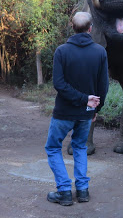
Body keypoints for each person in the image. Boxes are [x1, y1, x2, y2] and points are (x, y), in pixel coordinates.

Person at [45, 12, 109, 206]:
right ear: (90, 29)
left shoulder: (62, 51)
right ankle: (82, 190)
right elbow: (103, 86)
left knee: (53, 147)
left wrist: (82, 100)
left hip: (64, 111)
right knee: (80, 146)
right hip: (86, 113)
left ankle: (64, 190)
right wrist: (94, 107)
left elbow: (59, 84)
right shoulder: (100, 52)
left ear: (72, 27)